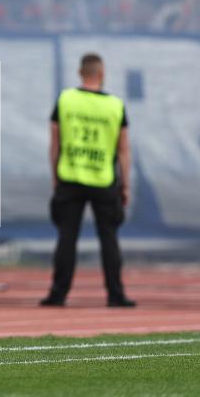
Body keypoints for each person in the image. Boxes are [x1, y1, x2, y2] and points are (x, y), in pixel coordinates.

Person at [41, 53, 136, 308]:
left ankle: (58, 294)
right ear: (101, 74)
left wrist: (55, 175)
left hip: (70, 176)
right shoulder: (115, 105)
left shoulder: (66, 100)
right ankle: (115, 294)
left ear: (80, 73)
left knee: (67, 237)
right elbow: (123, 149)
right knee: (109, 239)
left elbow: (54, 143)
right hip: (103, 179)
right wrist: (125, 184)